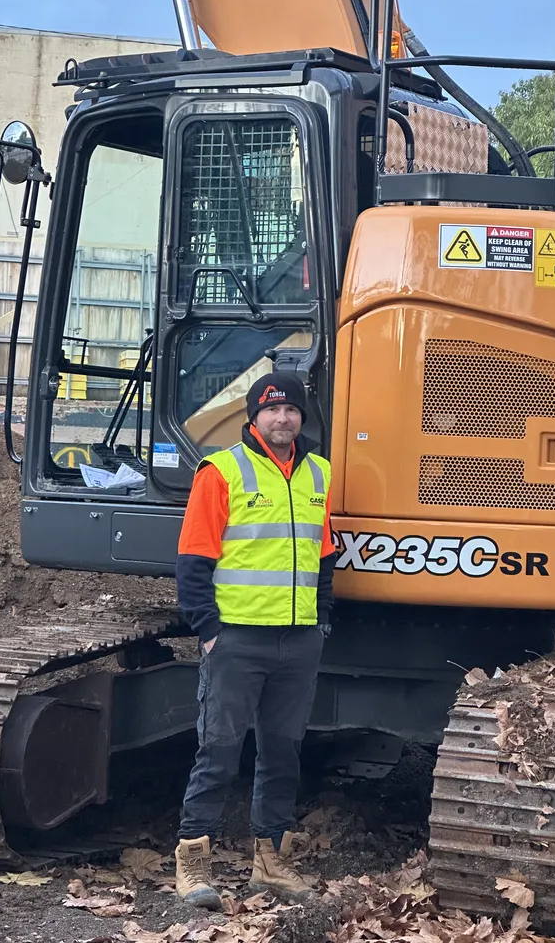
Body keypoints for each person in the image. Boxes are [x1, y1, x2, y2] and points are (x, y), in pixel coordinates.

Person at [173, 372, 336, 910]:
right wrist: (209, 632)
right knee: (219, 751)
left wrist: (321, 619)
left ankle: (271, 862)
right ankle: (193, 861)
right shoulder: (222, 470)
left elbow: (324, 555)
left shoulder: (318, 472)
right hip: (237, 640)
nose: (282, 418)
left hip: (298, 641)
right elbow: (193, 559)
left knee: (282, 754)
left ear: (302, 417)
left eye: (291, 410)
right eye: (272, 410)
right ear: (254, 417)